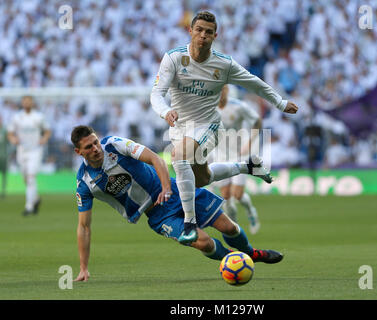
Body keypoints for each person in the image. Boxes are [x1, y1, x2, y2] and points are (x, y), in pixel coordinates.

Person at [151, 11, 299, 244]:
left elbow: (254, 83)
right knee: (202, 178)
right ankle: (246, 166)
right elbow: (156, 94)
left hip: (207, 125)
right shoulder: (173, 59)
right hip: (179, 127)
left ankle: (190, 223)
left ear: (215, 36)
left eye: (208, 32)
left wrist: (280, 103)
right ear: (190, 31)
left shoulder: (224, 64)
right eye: (198, 30)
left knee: (178, 157)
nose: (203, 36)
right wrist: (165, 111)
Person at [70, 125, 283, 282]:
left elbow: (157, 160)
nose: (96, 148)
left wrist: (165, 188)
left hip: (177, 191)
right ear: (79, 152)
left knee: (229, 227)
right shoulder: (85, 183)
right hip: (158, 216)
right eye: (89, 147)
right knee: (204, 242)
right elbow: (84, 227)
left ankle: (252, 254)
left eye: (96, 142)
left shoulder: (114, 144)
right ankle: (234, 261)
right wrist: (83, 267)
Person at [211, 85, 261, 234]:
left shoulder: (239, 107)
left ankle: (251, 211)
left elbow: (257, 122)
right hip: (220, 155)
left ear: (227, 91)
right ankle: (235, 230)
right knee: (226, 196)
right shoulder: (209, 107)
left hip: (239, 154)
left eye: (223, 89)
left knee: (237, 195)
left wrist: (249, 143)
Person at [7, 96, 51, 216]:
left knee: (31, 177)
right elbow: (10, 132)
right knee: (25, 178)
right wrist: (13, 139)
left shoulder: (38, 117)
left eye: (29, 101)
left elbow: (47, 130)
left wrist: (44, 139)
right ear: (22, 103)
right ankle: (36, 198)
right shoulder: (17, 117)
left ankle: (29, 206)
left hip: (35, 150)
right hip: (22, 150)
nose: (27, 103)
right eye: (25, 101)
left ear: (32, 103)